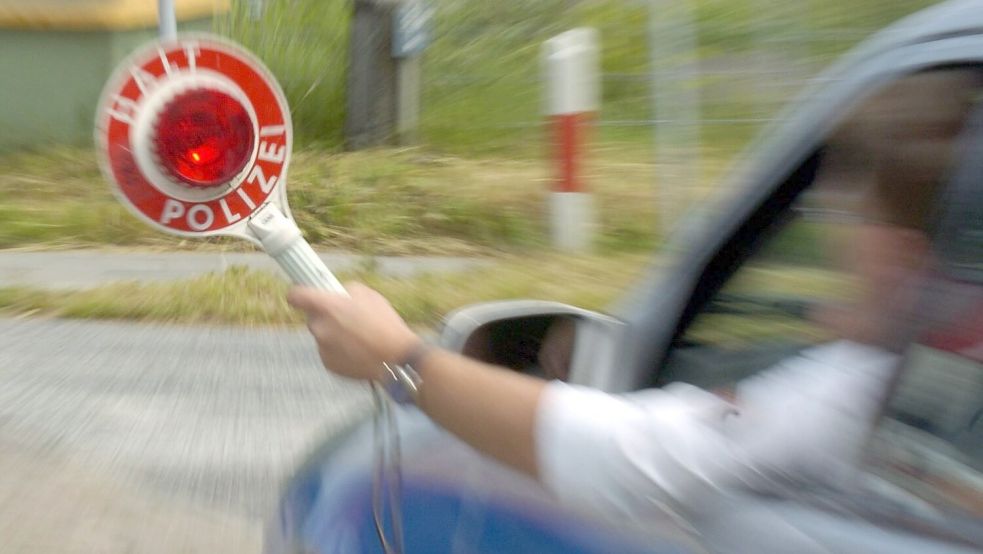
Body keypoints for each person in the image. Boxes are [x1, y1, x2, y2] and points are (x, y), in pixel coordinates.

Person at [286, 69, 982, 525]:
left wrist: (399, 360)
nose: (839, 251)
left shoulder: (871, 392)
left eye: (846, 223)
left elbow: (629, 455)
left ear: (906, 252)